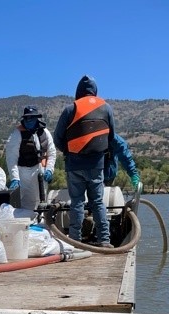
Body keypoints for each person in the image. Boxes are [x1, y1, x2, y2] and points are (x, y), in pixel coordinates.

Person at [53, 75, 116, 247]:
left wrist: (69, 151)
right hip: (96, 164)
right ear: (95, 91)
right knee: (97, 202)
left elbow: (57, 138)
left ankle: (75, 240)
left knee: (77, 202)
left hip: (74, 165)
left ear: (78, 92)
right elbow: (111, 137)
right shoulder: (106, 108)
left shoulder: (70, 108)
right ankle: (104, 240)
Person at [5, 105, 56, 210]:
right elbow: (11, 158)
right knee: (25, 203)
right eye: (27, 118)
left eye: (32, 117)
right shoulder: (17, 134)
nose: (29, 120)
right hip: (23, 173)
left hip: (41, 171)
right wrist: (15, 178)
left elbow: (51, 153)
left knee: (42, 200)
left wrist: (50, 170)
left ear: (36, 118)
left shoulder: (45, 132)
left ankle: (41, 221)